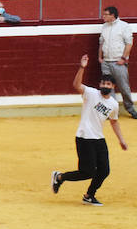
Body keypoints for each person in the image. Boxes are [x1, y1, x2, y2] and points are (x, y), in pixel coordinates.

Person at [51, 54, 127, 207]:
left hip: (99, 139)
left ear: (113, 87)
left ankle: (89, 195)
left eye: (108, 84)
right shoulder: (91, 93)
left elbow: (114, 122)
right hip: (84, 137)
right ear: (100, 84)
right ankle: (59, 177)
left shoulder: (113, 104)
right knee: (87, 171)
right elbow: (77, 85)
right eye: (103, 83)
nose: (105, 85)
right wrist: (81, 67)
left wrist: (121, 140)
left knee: (104, 170)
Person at [99, 6, 137, 119]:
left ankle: (130, 109)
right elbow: (101, 43)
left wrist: (123, 58)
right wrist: (100, 57)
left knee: (124, 87)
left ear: (113, 15)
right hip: (106, 61)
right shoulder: (104, 27)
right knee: (107, 88)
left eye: (106, 14)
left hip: (118, 61)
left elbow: (129, 43)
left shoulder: (124, 26)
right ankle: (111, 112)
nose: (104, 16)